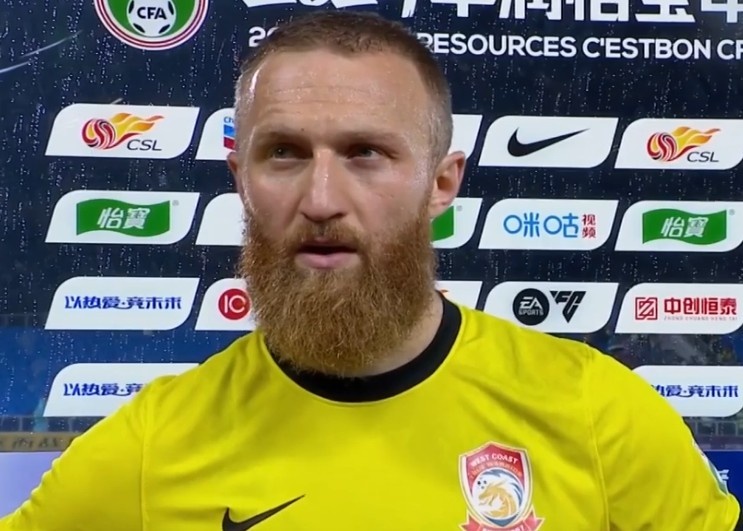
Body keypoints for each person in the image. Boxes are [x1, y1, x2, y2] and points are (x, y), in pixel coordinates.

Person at [1, 11, 739, 531]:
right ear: (240, 177)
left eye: (365, 154)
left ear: (442, 183)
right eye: (283, 153)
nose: (321, 199)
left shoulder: (600, 416)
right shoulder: (150, 445)